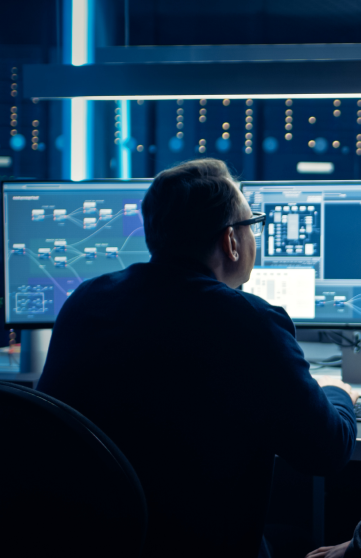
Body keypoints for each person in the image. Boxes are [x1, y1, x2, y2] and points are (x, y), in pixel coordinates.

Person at [37, 159, 358, 558]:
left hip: (92, 540)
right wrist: (339, 393)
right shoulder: (250, 323)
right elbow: (328, 451)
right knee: (304, 538)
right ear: (231, 241)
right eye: (251, 223)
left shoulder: (86, 300)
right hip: (203, 545)